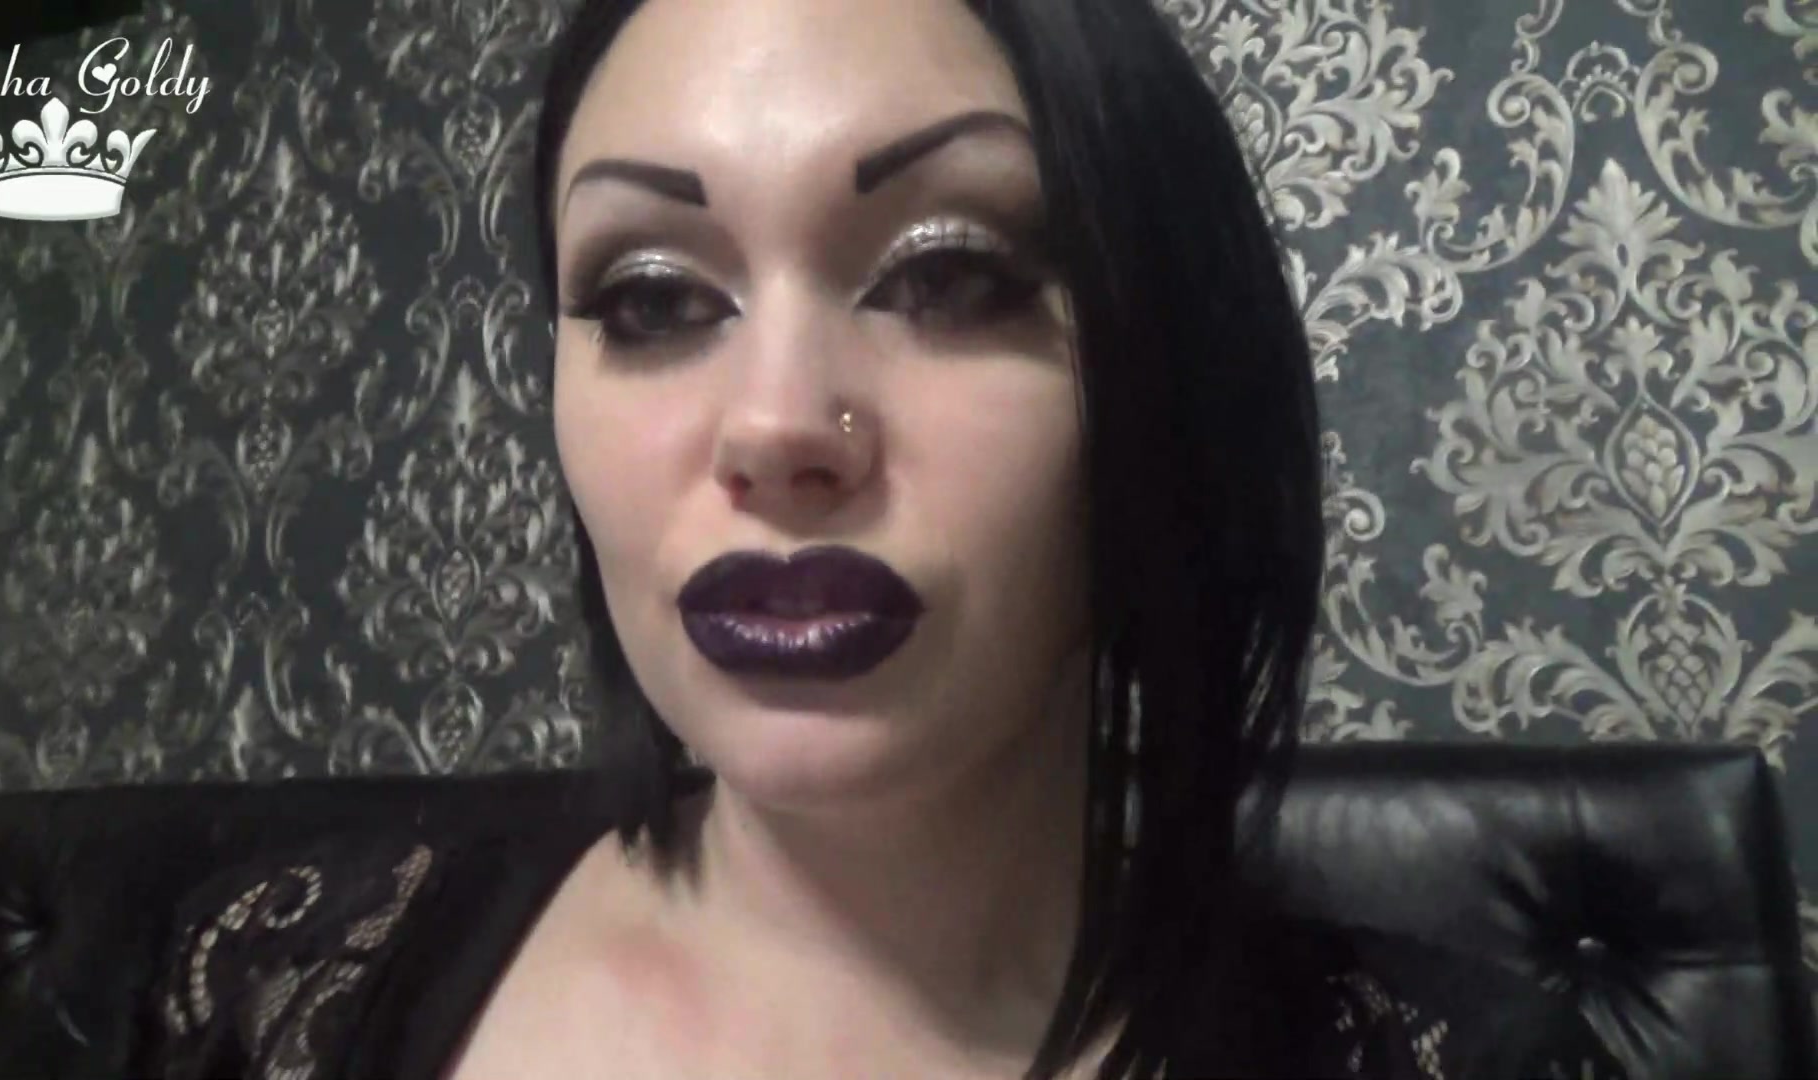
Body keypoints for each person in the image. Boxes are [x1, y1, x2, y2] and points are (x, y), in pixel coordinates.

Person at [139, 1, 1632, 1077]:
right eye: (653, 299)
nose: (777, 426)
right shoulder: (281, 980)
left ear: (1165, 372)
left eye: (948, 276)